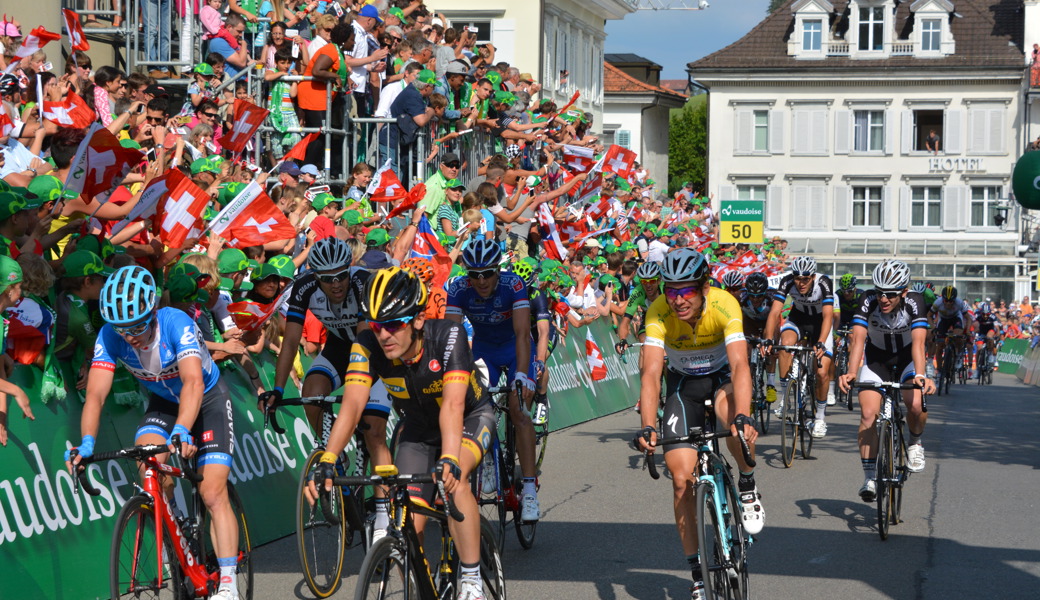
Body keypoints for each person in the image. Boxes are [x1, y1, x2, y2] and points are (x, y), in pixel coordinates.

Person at [307, 267, 494, 600]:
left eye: (393, 324)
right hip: (419, 429)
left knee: (456, 481)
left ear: (418, 320)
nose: (383, 336)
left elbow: (452, 407)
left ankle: (470, 578)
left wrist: (450, 458)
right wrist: (329, 460)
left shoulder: (448, 336)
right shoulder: (367, 345)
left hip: (469, 418)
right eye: (377, 326)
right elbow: (351, 406)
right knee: (409, 522)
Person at [65, 266, 241, 600]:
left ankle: (229, 583)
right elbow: (97, 395)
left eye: (137, 326)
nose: (129, 335)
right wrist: (86, 442)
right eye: (122, 328)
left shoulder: (176, 322)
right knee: (148, 465)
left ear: (152, 312)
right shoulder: (109, 336)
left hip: (207, 400)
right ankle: (172, 529)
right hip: (163, 402)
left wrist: (181, 431)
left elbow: (193, 382)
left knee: (212, 492)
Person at [634, 248, 762, 600]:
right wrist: (648, 425)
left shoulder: (725, 305)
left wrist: (744, 414)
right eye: (670, 290)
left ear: (704, 287)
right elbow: (651, 373)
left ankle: (747, 484)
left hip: (720, 380)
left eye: (685, 290)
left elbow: (739, 366)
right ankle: (697, 574)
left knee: (733, 424)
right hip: (682, 387)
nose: (677, 300)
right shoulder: (658, 310)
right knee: (680, 480)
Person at [446, 238, 541, 522]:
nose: (481, 280)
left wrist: (523, 374)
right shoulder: (459, 288)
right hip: (484, 351)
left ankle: (529, 488)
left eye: (487, 273)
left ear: (497, 271)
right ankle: (487, 461)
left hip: (516, 350)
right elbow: (451, 336)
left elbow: (524, 334)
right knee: (475, 408)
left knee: (519, 410)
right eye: (474, 275)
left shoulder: (513, 285)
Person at [838, 260, 934, 502]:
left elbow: (920, 343)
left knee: (915, 404)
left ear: (903, 292)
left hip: (907, 360)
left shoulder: (915, 302)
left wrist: (921, 375)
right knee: (868, 414)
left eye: (890, 294)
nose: (883, 299)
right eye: (880, 292)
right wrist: (851, 372)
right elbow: (858, 339)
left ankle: (914, 442)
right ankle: (869, 477)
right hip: (876, 361)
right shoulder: (867, 300)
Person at [763, 256, 835, 438]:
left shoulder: (824, 282)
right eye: (797, 278)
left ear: (812, 277)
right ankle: (787, 396)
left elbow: (828, 316)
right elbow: (774, 312)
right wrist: (770, 339)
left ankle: (819, 417)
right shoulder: (787, 281)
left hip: (820, 323)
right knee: (784, 345)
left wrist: (821, 341)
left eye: (805, 279)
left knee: (821, 373)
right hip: (798, 319)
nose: (801, 283)